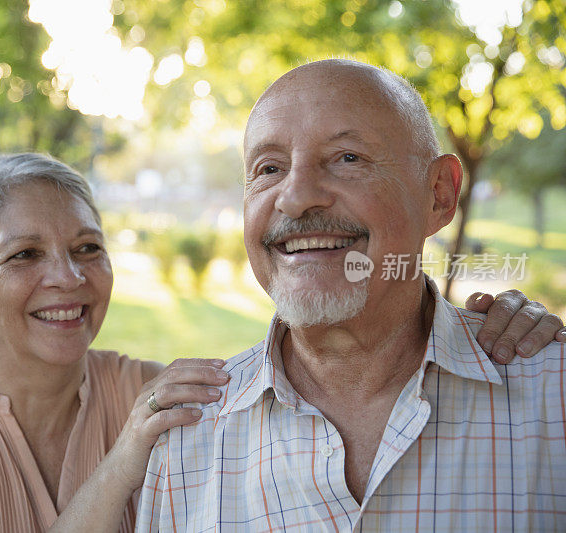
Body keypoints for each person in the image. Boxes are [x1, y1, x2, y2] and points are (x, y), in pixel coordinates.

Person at [0, 152, 558, 531]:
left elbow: (309, 367)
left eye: (86, 247)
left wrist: (495, 326)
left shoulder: (163, 396)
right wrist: (122, 460)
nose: (66, 278)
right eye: (24, 255)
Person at [137, 59, 566, 532]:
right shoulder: (185, 439)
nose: (296, 197)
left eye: (347, 158)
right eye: (269, 168)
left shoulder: (554, 397)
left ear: (440, 195)